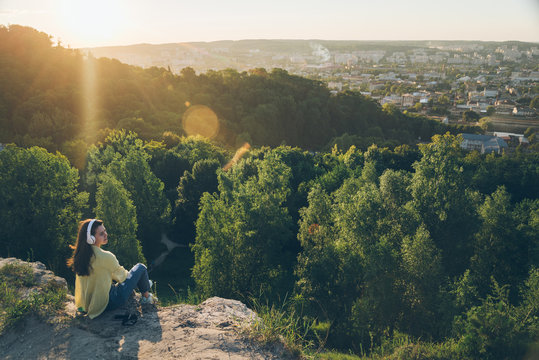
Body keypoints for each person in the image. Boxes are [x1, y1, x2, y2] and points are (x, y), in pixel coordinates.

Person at [67, 219, 157, 319]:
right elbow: (123, 277)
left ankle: (144, 284)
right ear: (91, 238)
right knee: (140, 268)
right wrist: (137, 280)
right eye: (101, 233)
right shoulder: (106, 256)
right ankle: (146, 298)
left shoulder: (80, 257)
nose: (106, 234)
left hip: (89, 305)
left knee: (131, 280)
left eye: (105, 231)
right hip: (110, 302)